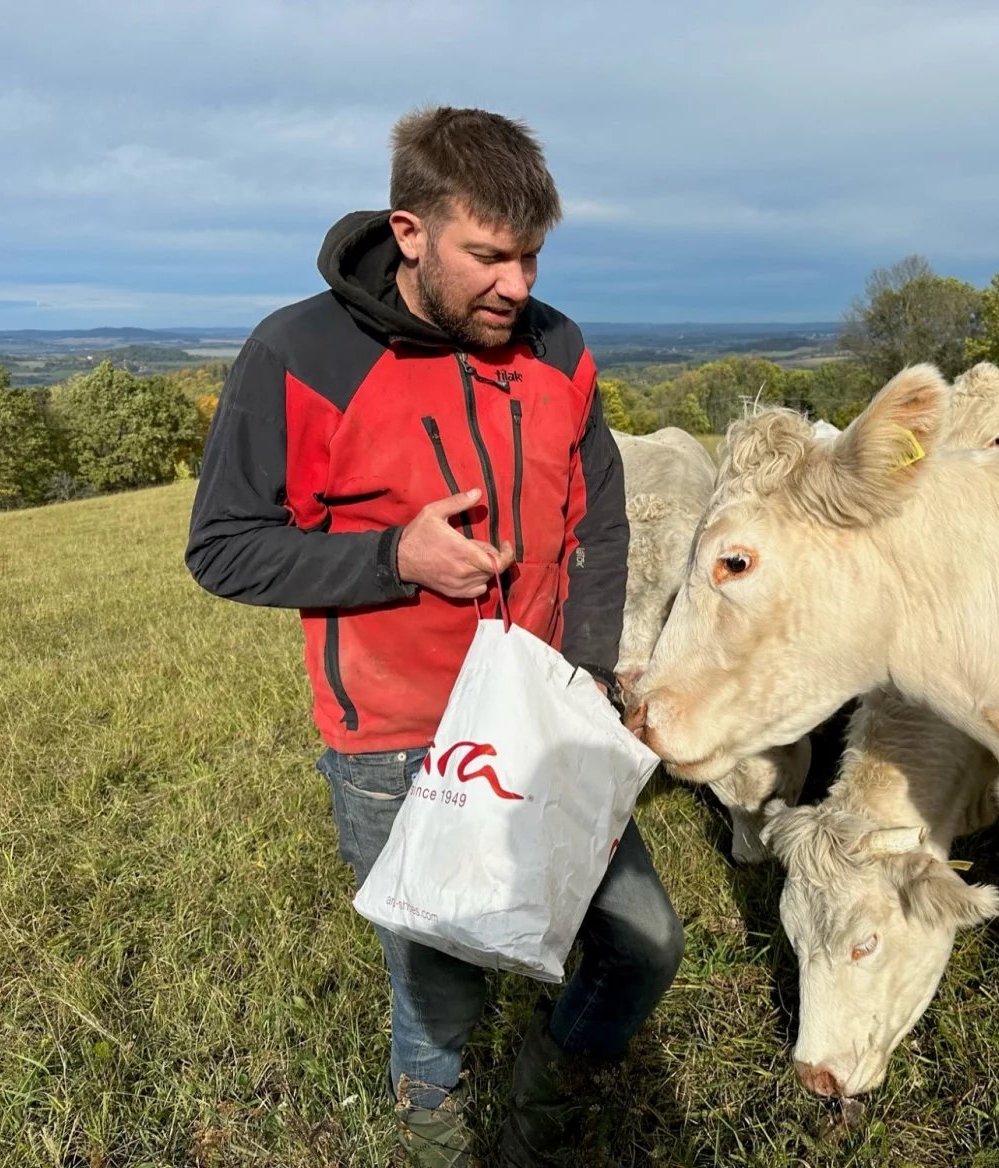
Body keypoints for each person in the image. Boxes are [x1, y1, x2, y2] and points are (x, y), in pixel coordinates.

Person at [186, 106, 684, 1167]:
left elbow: (599, 514)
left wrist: (588, 670)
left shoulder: (560, 348)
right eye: (489, 256)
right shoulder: (300, 352)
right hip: (395, 739)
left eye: (533, 256)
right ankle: (435, 1122)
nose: (518, 285)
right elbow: (223, 547)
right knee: (439, 982)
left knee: (642, 944)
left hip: (546, 714)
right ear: (409, 231)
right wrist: (390, 558)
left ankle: (539, 1105)